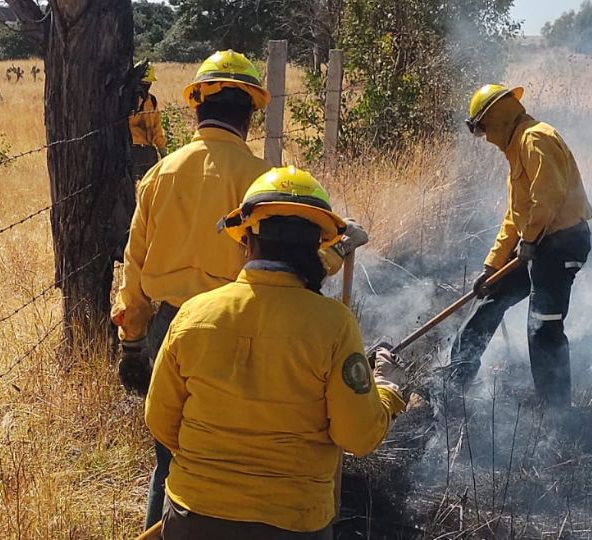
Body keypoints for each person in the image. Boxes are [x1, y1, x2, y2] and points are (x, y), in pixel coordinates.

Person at [111, 50, 368, 530]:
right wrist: (336, 251)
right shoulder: (259, 183)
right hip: (241, 330)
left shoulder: (159, 175)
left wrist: (131, 338)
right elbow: (287, 271)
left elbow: (135, 262)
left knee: (172, 461)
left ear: (194, 108)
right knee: (252, 461)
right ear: (250, 112)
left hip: (171, 325)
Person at [145, 166, 410, 539]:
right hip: (293, 523)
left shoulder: (193, 314)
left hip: (194, 516)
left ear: (247, 241)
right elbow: (359, 436)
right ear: (317, 246)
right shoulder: (334, 324)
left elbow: (160, 421)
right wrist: (388, 391)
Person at [448, 84, 592, 407]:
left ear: (495, 119)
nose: (485, 137)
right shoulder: (518, 148)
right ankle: (453, 381)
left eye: (482, 128)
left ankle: (556, 413)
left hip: (561, 246)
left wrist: (528, 243)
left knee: (543, 328)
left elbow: (549, 198)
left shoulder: (535, 139)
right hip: (538, 243)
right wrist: (493, 265)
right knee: (493, 296)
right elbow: (516, 216)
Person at [129, 61, 168, 181]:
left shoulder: (152, 101)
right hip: (132, 150)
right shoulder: (126, 101)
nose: (146, 85)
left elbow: (156, 127)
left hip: (148, 151)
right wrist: (135, 103)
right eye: (143, 83)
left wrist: (162, 151)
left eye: (148, 83)